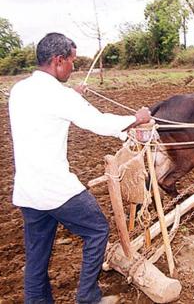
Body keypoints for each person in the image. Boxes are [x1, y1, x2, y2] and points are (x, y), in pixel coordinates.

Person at [8, 32, 152, 304]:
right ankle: (88, 297)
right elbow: (100, 123)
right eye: (72, 61)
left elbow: (47, 107)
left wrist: (71, 96)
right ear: (58, 60)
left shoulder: (20, 89)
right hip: (56, 189)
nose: (74, 68)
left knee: (37, 256)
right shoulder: (59, 96)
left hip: (28, 191)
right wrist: (137, 118)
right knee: (97, 230)